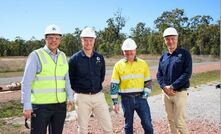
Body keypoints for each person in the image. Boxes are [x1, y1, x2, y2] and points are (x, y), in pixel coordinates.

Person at [21, 24, 74, 134]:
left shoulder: (63, 56)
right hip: (41, 107)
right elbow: (26, 82)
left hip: (60, 106)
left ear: (60, 40)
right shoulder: (36, 55)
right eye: (50, 37)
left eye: (57, 38)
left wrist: (70, 96)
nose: (53, 40)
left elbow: (66, 79)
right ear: (45, 39)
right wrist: (27, 105)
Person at [68, 27, 113, 134]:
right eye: (85, 40)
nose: (88, 43)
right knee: (82, 129)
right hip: (82, 97)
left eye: (91, 40)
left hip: (98, 96)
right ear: (81, 40)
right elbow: (71, 79)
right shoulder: (74, 59)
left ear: (94, 41)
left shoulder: (99, 58)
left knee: (108, 128)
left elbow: (101, 76)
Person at [110, 38, 153, 134]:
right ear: (123, 51)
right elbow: (114, 85)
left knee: (147, 124)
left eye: (131, 50)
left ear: (135, 50)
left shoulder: (143, 63)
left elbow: (148, 82)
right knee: (128, 125)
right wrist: (115, 102)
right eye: (126, 51)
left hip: (141, 98)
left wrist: (145, 96)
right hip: (126, 100)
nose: (129, 53)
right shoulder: (118, 65)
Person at [157, 27, 192, 134]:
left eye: (173, 38)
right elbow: (159, 75)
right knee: (170, 120)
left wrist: (172, 86)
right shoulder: (163, 57)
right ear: (164, 40)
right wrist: (164, 87)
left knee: (179, 122)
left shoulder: (184, 54)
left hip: (179, 92)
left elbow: (187, 73)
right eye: (167, 39)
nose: (170, 41)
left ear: (177, 39)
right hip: (166, 94)